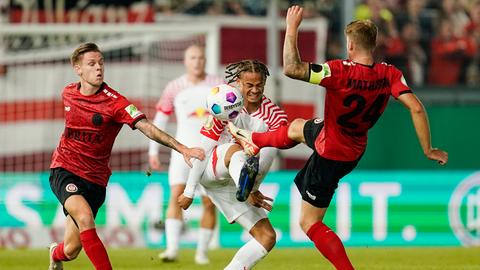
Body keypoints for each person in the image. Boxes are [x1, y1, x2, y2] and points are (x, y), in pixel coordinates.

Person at [228, 6, 449, 270]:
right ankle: (255, 139)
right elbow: (416, 107)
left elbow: (291, 68)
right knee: (297, 127)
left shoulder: (337, 71)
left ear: (351, 44)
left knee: (309, 223)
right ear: (374, 44)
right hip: (351, 146)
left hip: (331, 153)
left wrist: (292, 28)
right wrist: (428, 148)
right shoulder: (390, 74)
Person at [48, 42, 205, 270]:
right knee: (84, 218)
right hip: (65, 169)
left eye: (101, 63)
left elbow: (147, 127)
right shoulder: (68, 93)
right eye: (91, 64)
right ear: (78, 68)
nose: (99, 68)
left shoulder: (116, 102)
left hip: (95, 179)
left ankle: (56, 253)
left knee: (72, 249)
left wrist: (182, 148)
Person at [178, 59, 288, 269]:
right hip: (213, 169)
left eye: (259, 85)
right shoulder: (225, 103)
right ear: (238, 82)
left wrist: (253, 188)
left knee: (267, 237)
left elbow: (268, 157)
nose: (255, 90)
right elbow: (203, 150)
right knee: (236, 151)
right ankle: (244, 183)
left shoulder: (275, 116)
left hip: (238, 186)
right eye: (249, 85)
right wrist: (189, 191)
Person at [148, 44, 224, 264]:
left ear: (205, 60)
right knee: (176, 195)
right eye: (193, 57)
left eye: (200, 57)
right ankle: (172, 249)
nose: (197, 61)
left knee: (209, 202)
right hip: (182, 152)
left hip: (211, 153)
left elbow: (230, 117)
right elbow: (160, 118)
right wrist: (153, 150)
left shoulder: (218, 85)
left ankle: (202, 253)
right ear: (185, 61)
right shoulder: (174, 87)